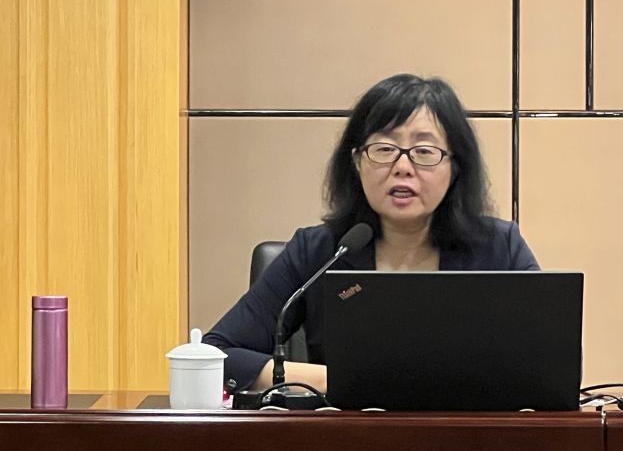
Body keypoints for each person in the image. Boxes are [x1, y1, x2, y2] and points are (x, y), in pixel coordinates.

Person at [203, 74, 540, 392]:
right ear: (356, 161)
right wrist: (345, 379)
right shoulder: (319, 252)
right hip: (350, 433)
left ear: (454, 167)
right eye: (384, 149)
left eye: (424, 152)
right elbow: (218, 355)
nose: (403, 167)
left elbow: (548, 360)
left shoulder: (499, 248)